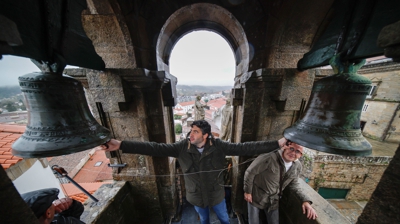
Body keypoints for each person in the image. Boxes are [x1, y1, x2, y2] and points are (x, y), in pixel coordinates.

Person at [101, 120, 287, 224]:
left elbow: (245, 148)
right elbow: (154, 148)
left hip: (216, 196)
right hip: (196, 197)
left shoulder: (219, 146)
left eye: (196, 132)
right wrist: (121, 145)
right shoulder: (182, 147)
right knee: (204, 221)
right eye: (191, 131)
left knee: (224, 219)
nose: (191, 135)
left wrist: (277, 144)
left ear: (206, 136)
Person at [243, 140, 318, 224]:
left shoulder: (297, 167)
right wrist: (247, 191)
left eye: (297, 151)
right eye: (291, 149)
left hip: (274, 200)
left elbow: (293, 185)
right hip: (256, 196)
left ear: (300, 155)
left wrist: (305, 201)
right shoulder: (269, 157)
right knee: (253, 221)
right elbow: (250, 172)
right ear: (285, 148)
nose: (293, 153)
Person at [21, 188, 85, 224]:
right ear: (48, 213)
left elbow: (77, 212)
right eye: (51, 203)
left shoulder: (55, 219)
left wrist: (71, 205)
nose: (54, 204)